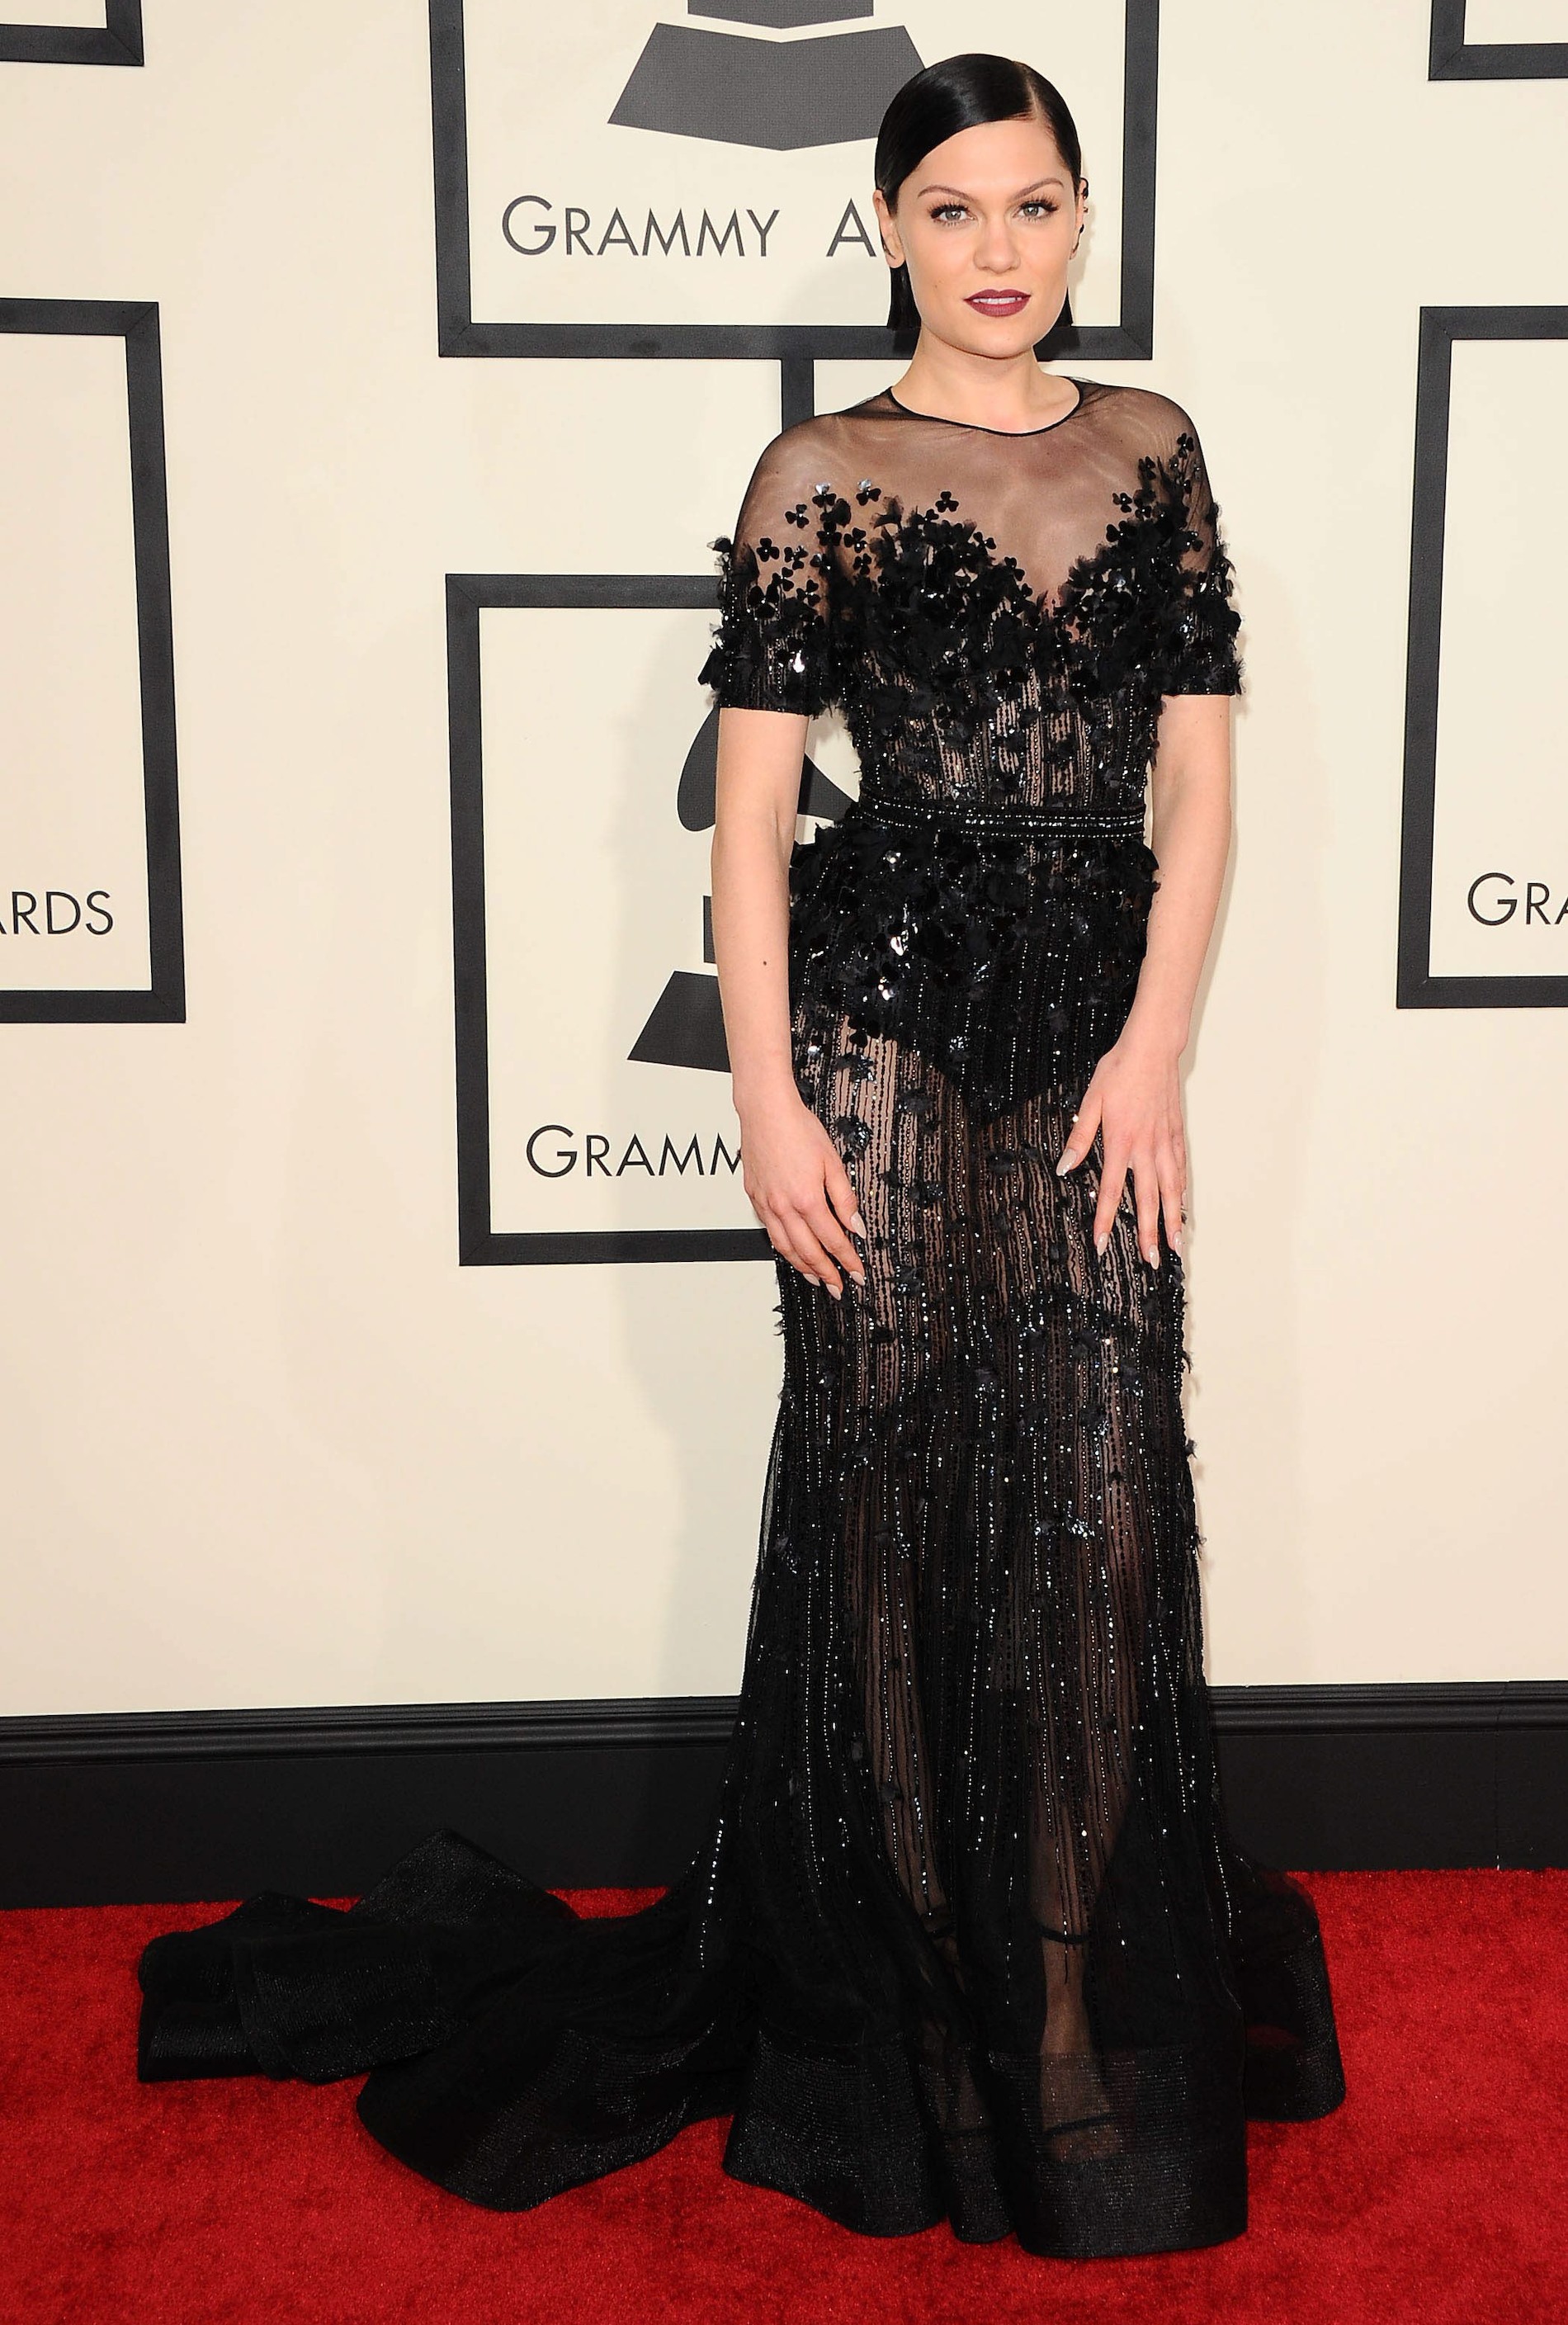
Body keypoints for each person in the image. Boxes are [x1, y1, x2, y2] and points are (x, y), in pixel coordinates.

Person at [136, 52, 1345, 2263]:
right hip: (883, 1033)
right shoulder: (819, 472)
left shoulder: (1153, 449)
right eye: (954, 208)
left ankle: (1068, 2008)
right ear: (886, 229)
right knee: (885, 1501)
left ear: (1083, 220)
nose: (999, 249)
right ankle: (898, 2024)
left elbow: (1200, 782)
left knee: (1092, 1510)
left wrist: (1159, 1041)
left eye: (1036, 204)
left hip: (1099, 1034)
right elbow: (759, 817)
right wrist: (769, 1097)